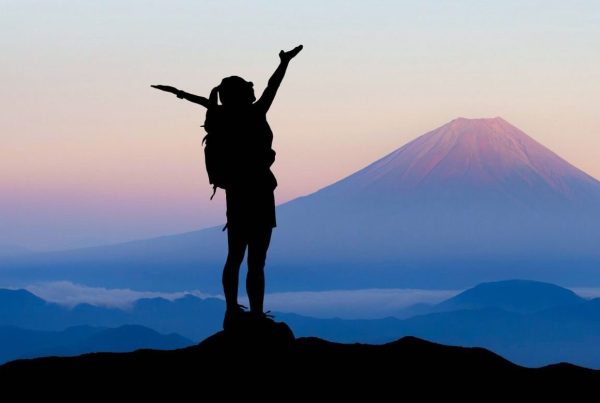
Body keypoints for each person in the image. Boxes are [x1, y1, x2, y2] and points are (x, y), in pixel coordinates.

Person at [152, 45, 303, 329]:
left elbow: (206, 104)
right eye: (249, 89)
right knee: (257, 259)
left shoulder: (222, 117)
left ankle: (231, 310)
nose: (254, 91)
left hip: (236, 194)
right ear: (244, 95)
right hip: (260, 191)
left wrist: (180, 94)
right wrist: (284, 63)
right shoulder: (256, 113)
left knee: (235, 255)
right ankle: (256, 314)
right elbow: (274, 86)